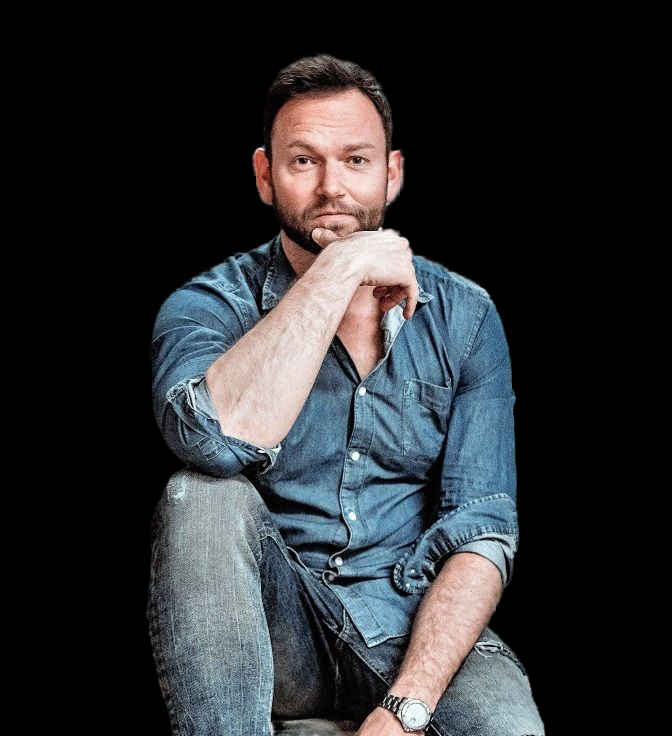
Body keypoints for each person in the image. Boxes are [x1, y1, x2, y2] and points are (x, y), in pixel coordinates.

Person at [146, 54, 545, 736]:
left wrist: (405, 708)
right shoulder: (207, 306)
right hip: (275, 633)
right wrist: (342, 267)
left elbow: (483, 531)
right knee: (202, 496)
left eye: (356, 161)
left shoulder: (467, 318)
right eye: (304, 161)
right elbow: (209, 442)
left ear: (392, 172)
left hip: (410, 624)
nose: (332, 186)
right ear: (265, 176)